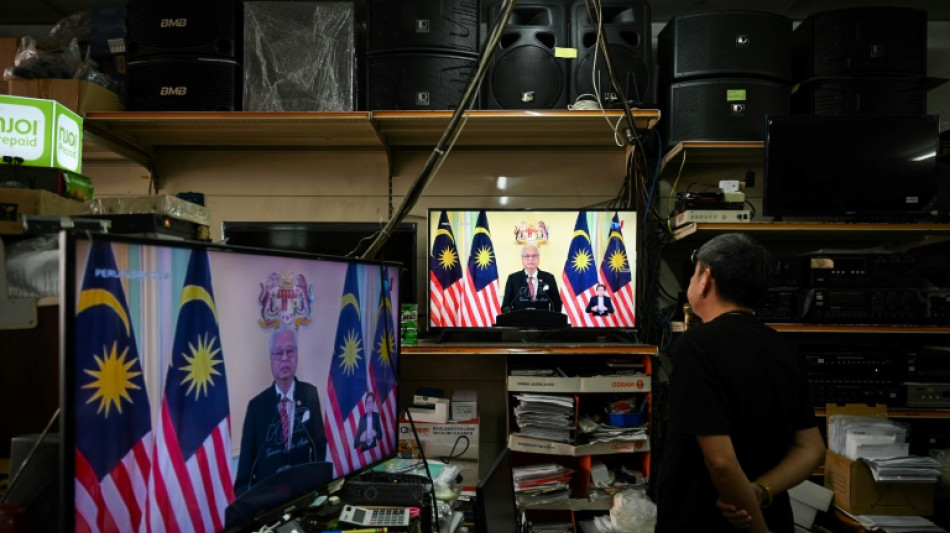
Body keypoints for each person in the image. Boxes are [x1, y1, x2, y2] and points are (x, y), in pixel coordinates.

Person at [655, 233, 825, 533]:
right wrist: (760, 490)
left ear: (706, 279)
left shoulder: (697, 346)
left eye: (694, 274)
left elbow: (720, 462)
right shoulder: (783, 348)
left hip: (706, 520)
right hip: (772, 513)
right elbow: (811, 449)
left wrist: (757, 528)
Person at [235, 326, 327, 495]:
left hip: (302, 495)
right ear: (271, 360)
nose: (285, 358)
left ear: (297, 356)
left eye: (290, 351)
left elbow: (320, 447)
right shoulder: (256, 407)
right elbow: (244, 471)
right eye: (278, 353)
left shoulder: (310, 395)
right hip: (268, 500)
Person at [501, 244, 562, 313]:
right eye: (527, 256)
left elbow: (557, 304)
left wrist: (553, 320)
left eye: (534, 256)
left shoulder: (549, 278)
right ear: (522, 258)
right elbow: (506, 306)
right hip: (519, 321)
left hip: (544, 321)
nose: (531, 259)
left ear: (538, 258)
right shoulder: (513, 279)